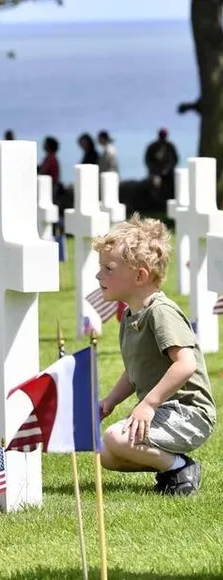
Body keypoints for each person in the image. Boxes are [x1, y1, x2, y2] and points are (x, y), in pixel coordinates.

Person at [94, 214, 216, 496]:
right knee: (106, 453)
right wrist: (110, 401)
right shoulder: (130, 314)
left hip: (189, 413)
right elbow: (135, 368)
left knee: (115, 437)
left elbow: (185, 365)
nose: (99, 275)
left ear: (140, 276)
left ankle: (180, 468)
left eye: (108, 268)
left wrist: (148, 404)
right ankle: (171, 467)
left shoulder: (160, 312)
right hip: (164, 410)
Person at [144, 128, 179, 192]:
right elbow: (148, 160)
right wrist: (157, 170)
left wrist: (167, 169)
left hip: (167, 174)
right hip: (156, 173)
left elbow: (175, 160)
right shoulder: (169, 146)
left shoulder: (169, 146)